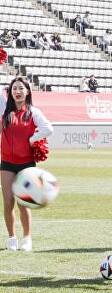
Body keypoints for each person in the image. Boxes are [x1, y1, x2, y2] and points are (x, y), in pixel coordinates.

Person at [1, 77, 53, 251]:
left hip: (26, 164)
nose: (17, 91)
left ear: (28, 91)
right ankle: (11, 238)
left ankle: (27, 238)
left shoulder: (33, 112)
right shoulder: (4, 110)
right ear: (10, 92)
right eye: (14, 88)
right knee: (8, 202)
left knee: (24, 202)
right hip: (7, 162)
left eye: (21, 88)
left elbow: (48, 128)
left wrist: (32, 139)